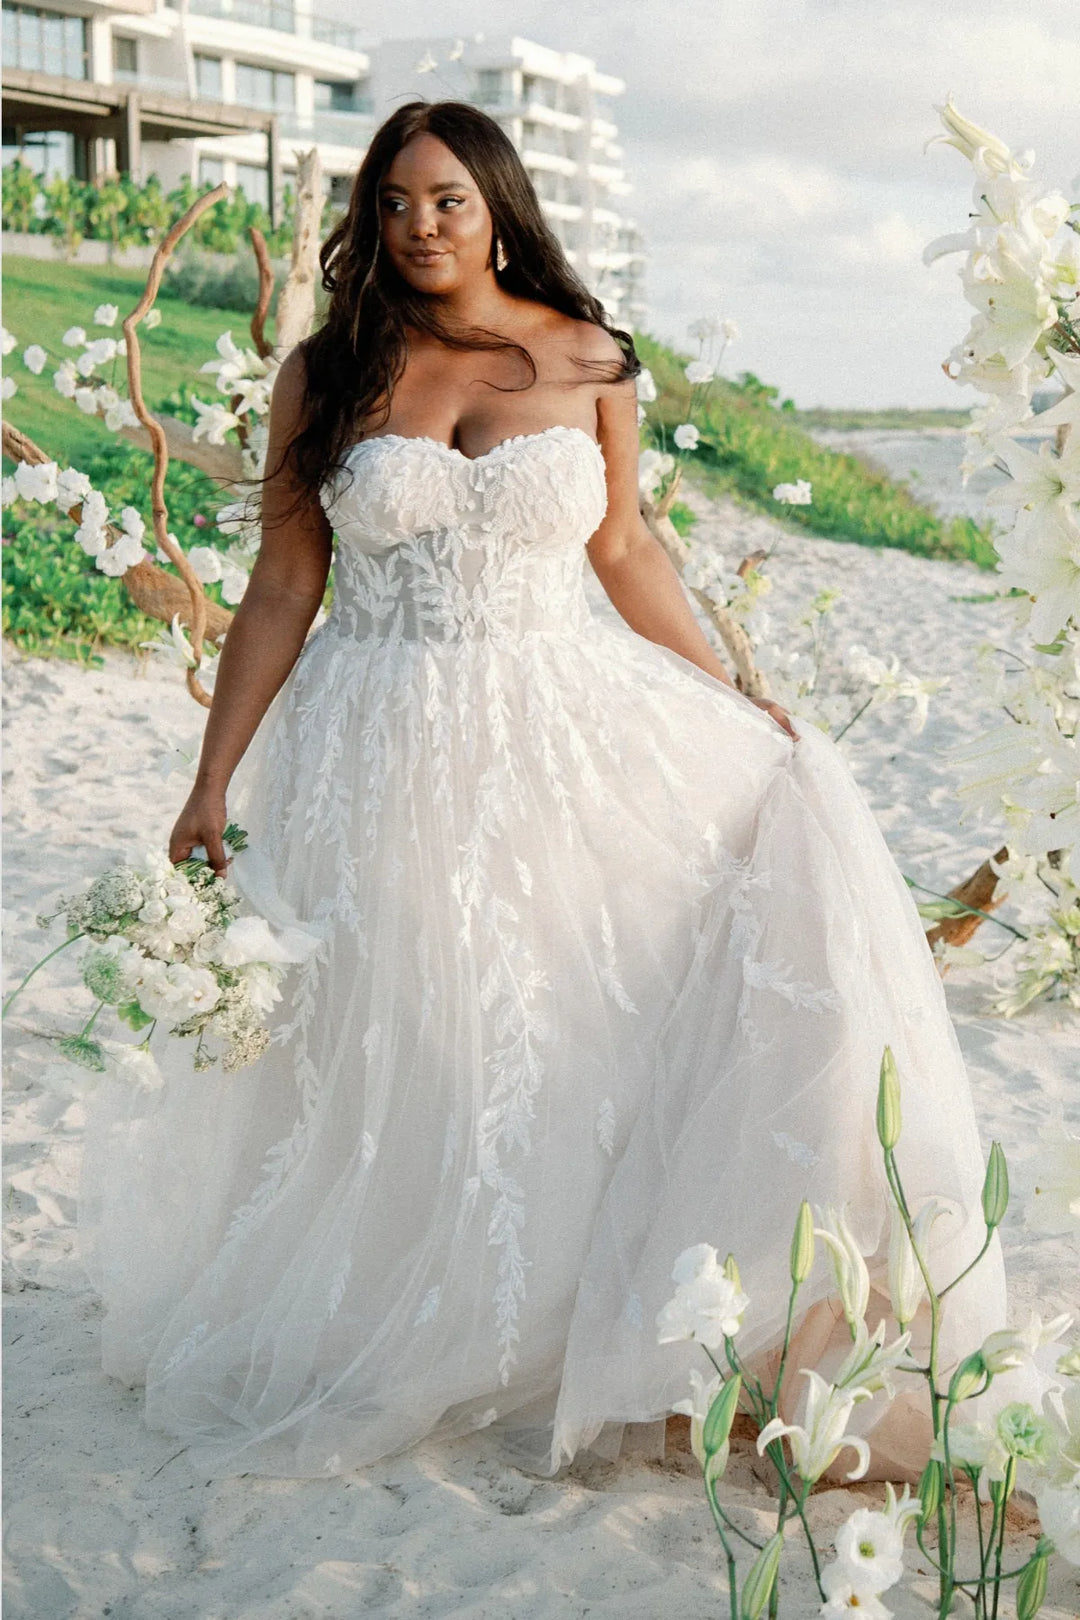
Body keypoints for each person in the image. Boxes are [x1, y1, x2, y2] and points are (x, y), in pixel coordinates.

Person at [77, 99, 1010, 1483]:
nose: (420, 225)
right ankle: (418, 1315)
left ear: (500, 206)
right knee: (414, 1031)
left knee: (577, 1015)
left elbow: (626, 551)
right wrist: (210, 777)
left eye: (447, 199)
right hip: (372, 741)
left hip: (562, 725)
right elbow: (284, 584)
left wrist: (729, 690)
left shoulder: (587, 356)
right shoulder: (328, 373)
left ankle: (587, 1314)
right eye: (394, 202)